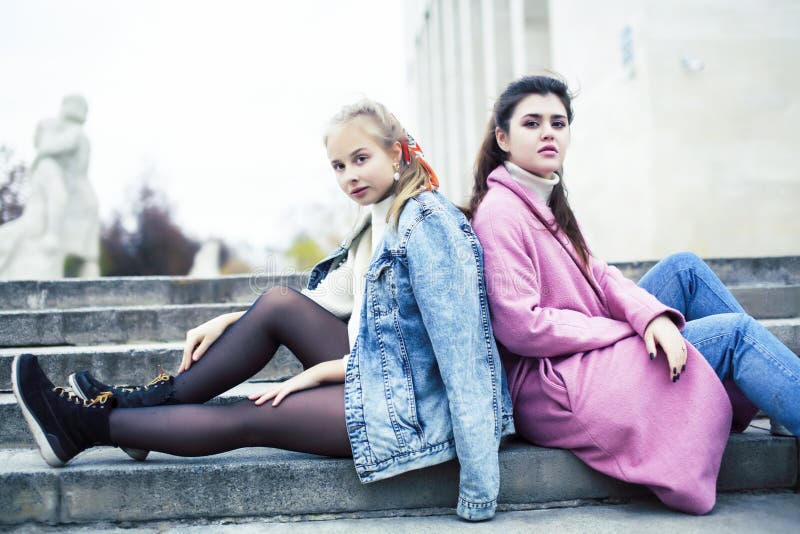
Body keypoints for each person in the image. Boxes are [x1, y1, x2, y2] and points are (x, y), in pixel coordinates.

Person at [12, 99, 514, 521]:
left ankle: (83, 426)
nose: (349, 176)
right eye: (339, 166)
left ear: (398, 153)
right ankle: (136, 408)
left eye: (360, 159)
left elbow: (458, 354)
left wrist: (478, 487)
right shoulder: (377, 221)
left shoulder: (428, 224)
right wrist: (234, 320)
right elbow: (325, 301)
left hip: (414, 409)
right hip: (379, 372)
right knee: (276, 304)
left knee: (250, 417)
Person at [467, 75, 799, 515]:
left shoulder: (544, 198)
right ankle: (770, 386)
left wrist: (650, 316)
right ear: (503, 137)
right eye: (532, 123)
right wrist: (623, 328)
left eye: (558, 122)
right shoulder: (501, 214)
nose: (549, 132)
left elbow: (601, 276)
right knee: (735, 334)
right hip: (552, 380)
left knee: (684, 269)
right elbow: (520, 327)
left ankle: (771, 391)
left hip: (582, 347)